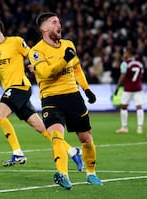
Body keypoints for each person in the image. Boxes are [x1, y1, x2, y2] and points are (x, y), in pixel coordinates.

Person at [0, 18, 83, 171]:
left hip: (20, 86)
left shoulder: (16, 42)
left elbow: (32, 54)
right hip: (12, 91)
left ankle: (17, 152)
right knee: (42, 128)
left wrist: (35, 66)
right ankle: (72, 151)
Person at [28, 12, 102, 190]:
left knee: (86, 139)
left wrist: (86, 89)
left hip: (73, 97)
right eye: (54, 22)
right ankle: (63, 174)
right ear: (44, 28)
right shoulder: (36, 51)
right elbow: (46, 73)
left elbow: (76, 68)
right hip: (51, 98)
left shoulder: (68, 45)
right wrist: (64, 59)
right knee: (56, 136)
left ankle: (91, 173)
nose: (59, 25)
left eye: (59, 22)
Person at [115, 47, 144, 134]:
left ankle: (124, 127)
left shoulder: (125, 63)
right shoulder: (139, 63)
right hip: (138, 88)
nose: (124, 54)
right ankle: (140, 127)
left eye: (125, 53)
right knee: (139, 107)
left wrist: (118, 86)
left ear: (128, 54)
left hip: (128, 89)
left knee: (124, 107)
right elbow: (141, 75)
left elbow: (123, 76)